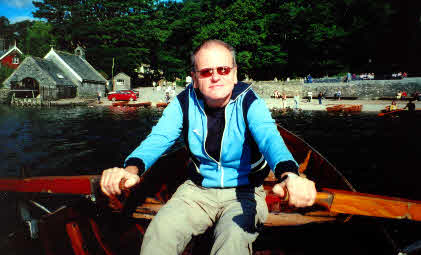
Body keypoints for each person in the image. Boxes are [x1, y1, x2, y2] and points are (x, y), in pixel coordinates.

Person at [100, 40, 316, 255]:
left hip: (245, 192)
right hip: (196, 191)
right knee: (160, 231)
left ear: (234, 74)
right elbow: (159, 138)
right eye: (206, 72)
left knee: (233, 240)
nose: (215, 77)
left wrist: (290, 175)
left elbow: (270, 139)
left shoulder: (250, 102)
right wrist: (130, 170)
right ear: (194, 78)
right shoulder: (183, 103)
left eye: (223, 69)